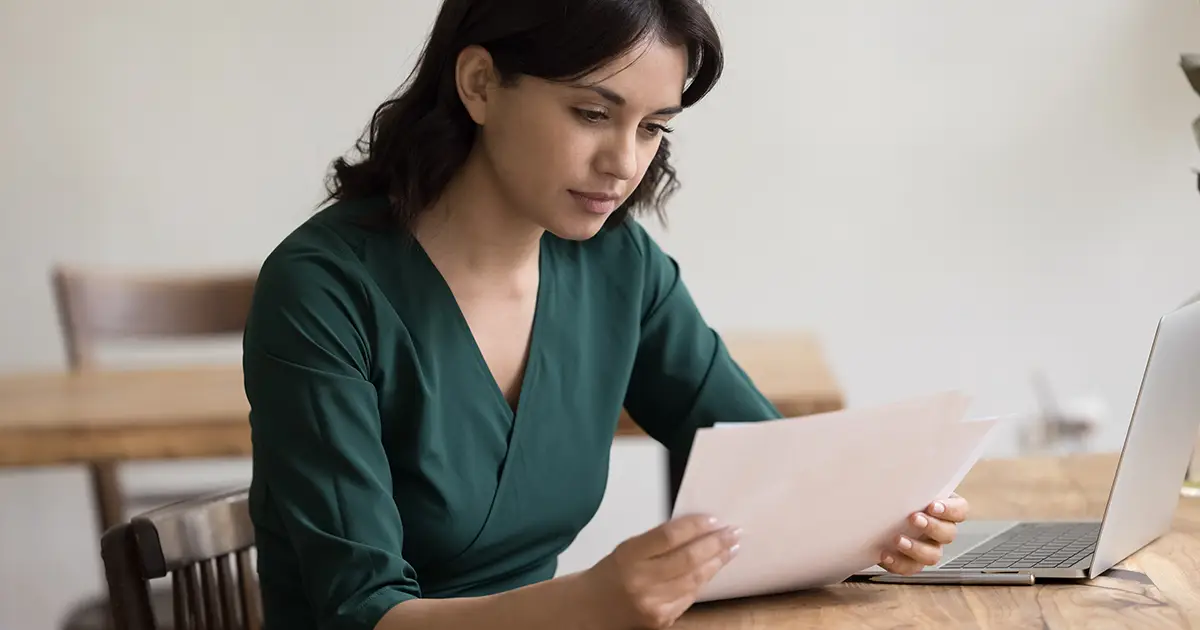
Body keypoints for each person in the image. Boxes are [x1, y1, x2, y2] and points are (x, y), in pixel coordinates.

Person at [241, 0, 971, 628]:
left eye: (654, 127)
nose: (625, 163)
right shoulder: (323, 291)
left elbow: (766, 465)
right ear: (480, 83)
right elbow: (365, 612)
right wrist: (589, 603)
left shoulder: (616, 266)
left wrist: (868, 524)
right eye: (593, 113)